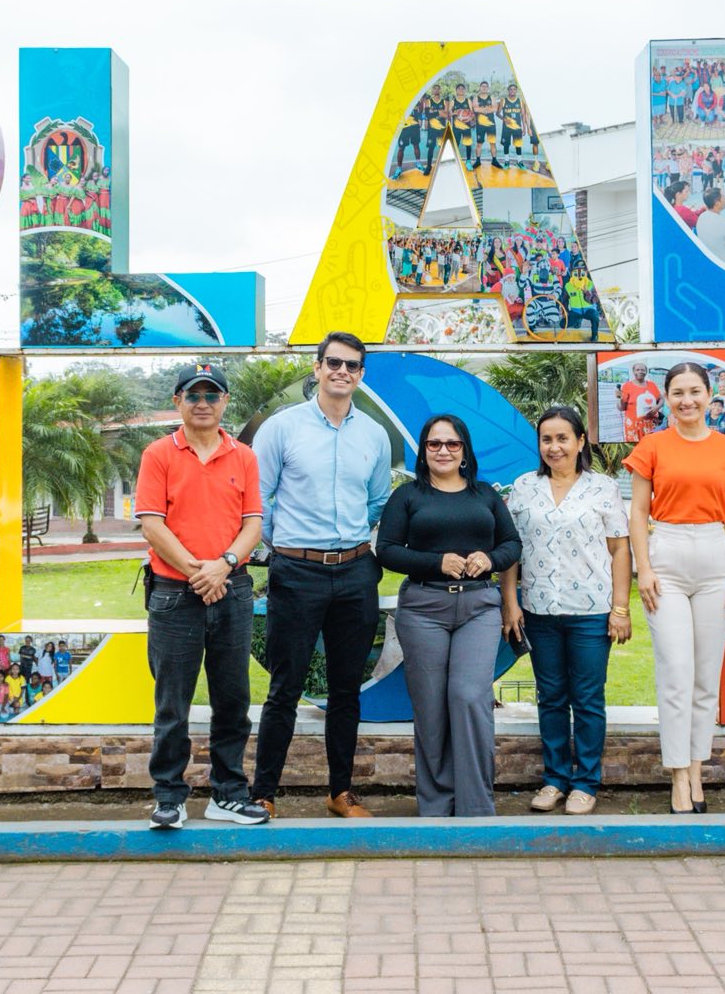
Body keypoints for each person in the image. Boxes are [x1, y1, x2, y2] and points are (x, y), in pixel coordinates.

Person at [250, 333, 392, 820]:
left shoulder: (373, 435)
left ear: (361, 374)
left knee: (346, 689)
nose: (341, 371)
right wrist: (285, 547)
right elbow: (258, 499)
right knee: (284, 688)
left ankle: (340, 792)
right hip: (296, 572)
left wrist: (350, 544)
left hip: (355, 572)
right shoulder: (282, 428)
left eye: (351, 365)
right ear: (317, 367)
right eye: (333, 362)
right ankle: (263, 793)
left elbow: (377, 501)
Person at [135, 362, 270, 830]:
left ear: (225, 402)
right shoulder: (158, 454)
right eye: (193, 395)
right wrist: (199, 571)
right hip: (176, 594)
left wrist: (223, 565)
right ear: (178, 401)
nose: (203, 403)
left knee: (232, 699)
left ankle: (228, 793)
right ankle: (169, 796)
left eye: (212, 395)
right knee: (172, 702)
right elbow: (152, 524)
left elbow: (253, 524)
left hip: (231, 589)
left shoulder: (243, 457)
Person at [626, 362, 725, 814]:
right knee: (676, 671)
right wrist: (643, 569)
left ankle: (697, 767)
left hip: (715, 558)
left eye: (695, 391)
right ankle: (678, 775)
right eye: (678, 393)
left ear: (709, 395)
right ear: (666, 398)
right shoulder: (651, 446)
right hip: (666, 554)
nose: (687, 400)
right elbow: (637, 513)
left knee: (705, 676)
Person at [377, 416, 520, 817]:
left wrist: (489, 558)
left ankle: (476, 805)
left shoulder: (485, 494)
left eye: (452, 444)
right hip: (423, 609)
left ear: (465, 450)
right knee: (431, 706)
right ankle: (437, 806)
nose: (443, 451)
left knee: (469, 696)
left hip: (479, 607)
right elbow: (387, 550)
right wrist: (436, 562)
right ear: (423, 450)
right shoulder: (407, 496)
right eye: (434, 444)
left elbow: (512, 544)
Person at [501, 406, 631, 816]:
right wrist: (510, 603)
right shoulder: (524, 487)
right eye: (547, 439)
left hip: (590, 612)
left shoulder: (603, 488)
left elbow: (620, 549)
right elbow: (511, 551)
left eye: (562, 438)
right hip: (539, 610)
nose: (554, 447)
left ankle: (585, 783)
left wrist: (620, 608)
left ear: (580, 442)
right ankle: (555, 779)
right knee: (551, 696)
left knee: (588, 698)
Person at [618, 360, 663, 443]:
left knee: (651, 445)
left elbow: (661, 399)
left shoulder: (652, 385)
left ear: (646, 372)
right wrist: (619, 398)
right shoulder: (627, 386)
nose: (640, 372)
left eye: (643, 370)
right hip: (634, 426)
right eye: (637, 370)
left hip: (651, 424)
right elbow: (621, 408)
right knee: (636, 447)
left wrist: (657, 407)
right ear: (633, 372)